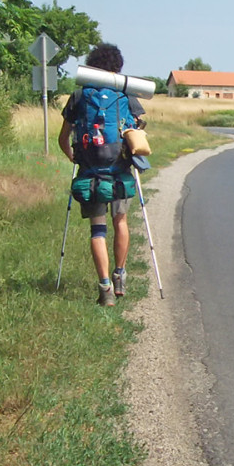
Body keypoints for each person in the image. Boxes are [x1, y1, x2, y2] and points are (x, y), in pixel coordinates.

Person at [58, 43, 146, 306]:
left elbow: (63, 139)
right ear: (117, 68)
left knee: (98, 230)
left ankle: (105, 288)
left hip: (90, 172)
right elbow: (139, 132)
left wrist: (75, 157)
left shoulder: (78, 96)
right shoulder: (126, 94)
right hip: (119, 171)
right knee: (120, 221)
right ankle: (120, 275)